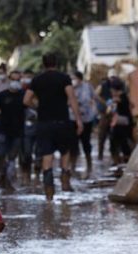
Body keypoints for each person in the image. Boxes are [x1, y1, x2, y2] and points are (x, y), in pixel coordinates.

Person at [23, 53, 84, 200]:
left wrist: (37, 107)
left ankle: (49, 188)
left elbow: (26, 100)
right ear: (56, 63)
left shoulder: (37, 80)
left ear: (43, 64)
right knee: (65, 151)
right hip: (62, 121)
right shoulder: (64, 78)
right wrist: (78, 120)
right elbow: (72, 98)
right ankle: (64, 177)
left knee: (47, 154)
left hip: (44, 123)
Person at [0, 70, 26, 190]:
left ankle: (9, 179)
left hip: (18, 131)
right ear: (9, 80)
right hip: (3, 130)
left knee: (12, 157)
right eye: (13, 80)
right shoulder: (1, 95)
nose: (15, 82)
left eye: (17, 80)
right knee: (1, 155)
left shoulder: (24, 95)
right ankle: (2, 177)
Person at [68, 71, 101, 178]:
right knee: (73, 143)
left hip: (87, 118)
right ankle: (72, 166)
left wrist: (104, 107)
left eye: (74, 78)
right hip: (72, 118)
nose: (73, 80)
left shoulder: (88, 87)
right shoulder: (68, 88)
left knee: (86, 143)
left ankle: (89, 165)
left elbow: (95, 98)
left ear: (79, 78)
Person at [108, 79, 134, 165]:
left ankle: (120, 162)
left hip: (121, 125)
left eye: (112, 90)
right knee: (122, 144)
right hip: (123, 124)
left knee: (121, 144)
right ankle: (121, 162)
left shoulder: (120, 97)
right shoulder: (123, 97)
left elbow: (111, 108)